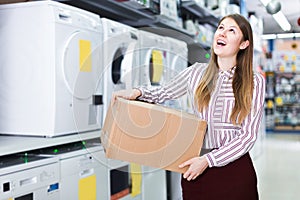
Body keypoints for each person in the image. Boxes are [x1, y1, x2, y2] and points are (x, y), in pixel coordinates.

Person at [112, 13, 265, 200]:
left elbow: (247, 136)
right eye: (220, 28)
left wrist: (209, 160)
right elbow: (163, 92)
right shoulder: (196, 72)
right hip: (195, 166)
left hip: (233, 168)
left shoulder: (254, 81)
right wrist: (136, 92)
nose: (222, 34)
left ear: (243, 44)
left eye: (231, 31)